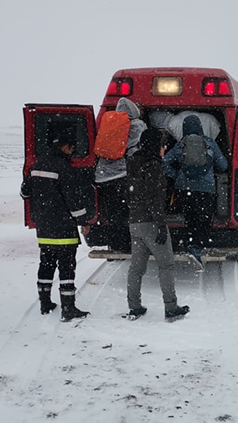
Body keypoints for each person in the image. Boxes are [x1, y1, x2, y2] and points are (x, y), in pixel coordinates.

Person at [20, 135, 94, 322]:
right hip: (63, 228)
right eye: (71, 148)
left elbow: (24, 192)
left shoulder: (37, 166)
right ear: (64, 148)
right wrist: (84, 221)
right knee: (67, 268)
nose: (72, 151)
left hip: (44, 228)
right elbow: (73, 200)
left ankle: (45, 303)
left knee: (46, 265)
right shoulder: (64, 168)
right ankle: (68, 308)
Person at [126, 128, 189, 320]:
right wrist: (161, 224)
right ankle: (171, 307)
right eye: (162, 144)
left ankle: (134, 306)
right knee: (166, 265)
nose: (165, 147)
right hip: (151, 223)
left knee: (136, 268)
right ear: (156, 145)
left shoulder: (132, 162)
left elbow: (131, 193)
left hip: (134, 222)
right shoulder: (153, 165)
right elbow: (153, 198)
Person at [163, 115, 228, 265]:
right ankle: (199, 246)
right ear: (200, 127)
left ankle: (190, 243)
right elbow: (223, 165)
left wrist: (177, 175)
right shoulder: (210, 144)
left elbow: (165, 162)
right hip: (206, 189)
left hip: (184, 188)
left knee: (190, 217)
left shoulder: (180, 145)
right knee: (204, 218)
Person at [95, 97, 147, 251]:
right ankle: (128, 244)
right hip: (122, 175)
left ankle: (115, 244)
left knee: (112, 213)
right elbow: (139, 148)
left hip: (103, 175)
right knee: (127, 212)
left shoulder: (108, 122)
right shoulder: (137, 125)